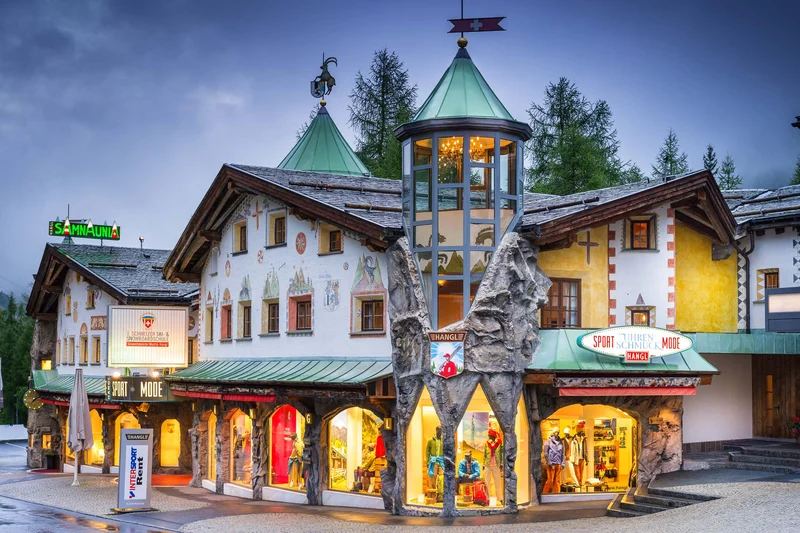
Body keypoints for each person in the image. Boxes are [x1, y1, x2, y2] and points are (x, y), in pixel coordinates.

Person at [483, 428, 504, 502]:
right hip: (487, 464)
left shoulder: (499, 443)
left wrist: (501, 463)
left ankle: (500, 498)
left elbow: (501, 453)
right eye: (489, 435)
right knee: (487, 482)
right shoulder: (486, 443)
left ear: (494, 436)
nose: (489, 437)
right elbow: (485, 454)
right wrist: (483, 463)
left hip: (496, 464)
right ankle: (487, 498)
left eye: (490, 435)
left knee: (497, 482)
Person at [543, 428, 565, 493]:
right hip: (551, 464)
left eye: (558, 432)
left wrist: (563, 463)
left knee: (557, 480)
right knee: (550, 480)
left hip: (558, 463)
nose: (556, 433)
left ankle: (557, 494)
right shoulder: (548, 441)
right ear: (553, 432)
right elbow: (545, 453)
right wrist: (549, 462)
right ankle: (545, 494)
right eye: (555, 432)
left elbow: (563, 453)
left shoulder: (561, 442)